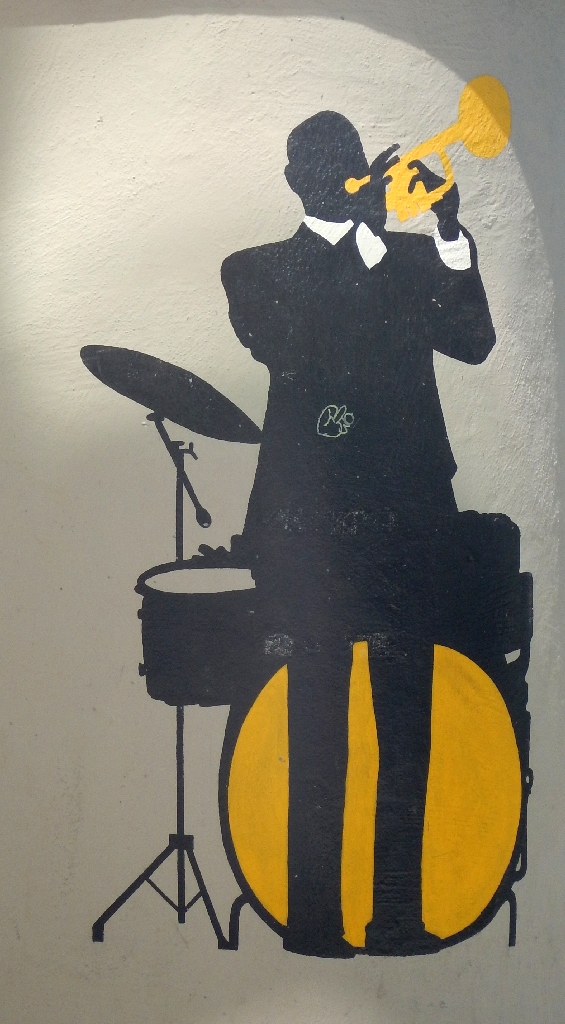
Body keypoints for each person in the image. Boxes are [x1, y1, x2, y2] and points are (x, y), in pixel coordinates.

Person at [221, 111, 496, 957]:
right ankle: (315, 924)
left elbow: (473, 342)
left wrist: (445, 234)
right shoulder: (256, 269)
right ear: (292, 181)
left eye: (349, 162)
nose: (343, 176)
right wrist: (370, 242)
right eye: (327, 165)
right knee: (315, 726)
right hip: (309, 529)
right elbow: (301, 342)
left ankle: (396, 917)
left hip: (406, 520)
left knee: (404, 728)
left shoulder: (410, 259)